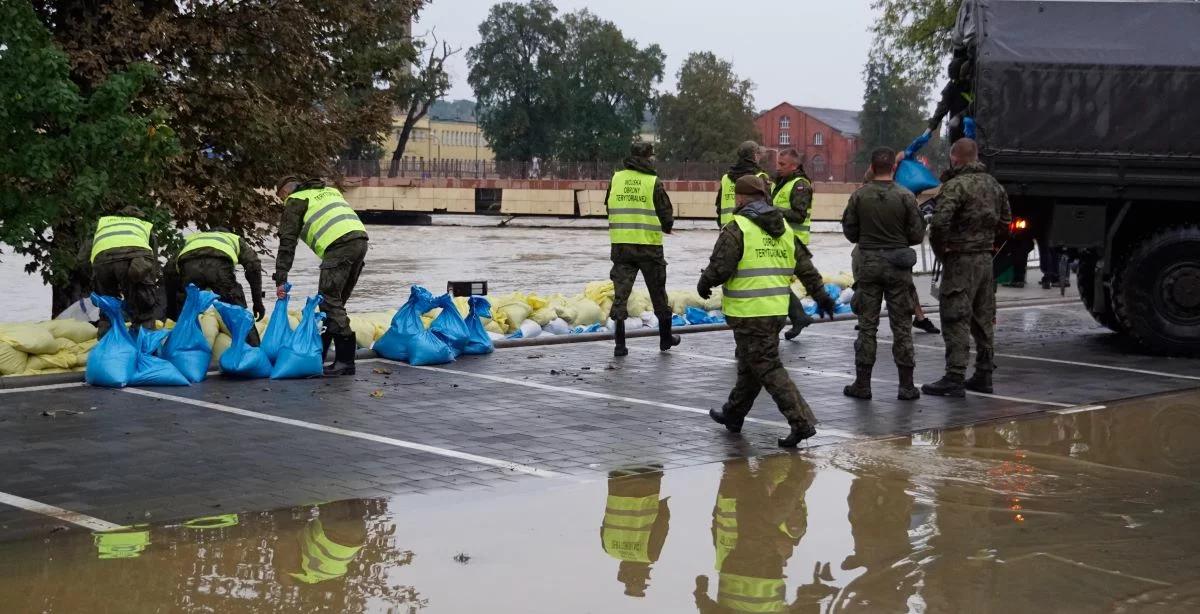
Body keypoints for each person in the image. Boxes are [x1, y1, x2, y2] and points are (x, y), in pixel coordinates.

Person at [698, 176, 836, 447]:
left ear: (740, 198)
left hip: (749, 312)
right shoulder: (784, 228)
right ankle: (733, 414)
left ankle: (801, 422)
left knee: (768, 367)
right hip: (775, 311)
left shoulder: (737, 227)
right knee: (752, 366)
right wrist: (822, 297)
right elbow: (805, 268)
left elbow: (720, 267)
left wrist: (705, 283)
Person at [923, 138, 1011, 397]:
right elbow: (1006, 222)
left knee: (955, 316)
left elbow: (939, 224)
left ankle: (955, 376)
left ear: (955, 158)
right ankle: (984, 374)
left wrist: (943, 251)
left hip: (960, 259)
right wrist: (989, 244)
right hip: (985, 260)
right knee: (983, 319)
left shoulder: (955, 186)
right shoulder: (994, 185)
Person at [842, 147, 926, 401]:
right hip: (898, 267)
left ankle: (863, 384)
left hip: (868, 264)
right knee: (902, 326)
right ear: (894, 167)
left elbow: (850, 232)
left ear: (871, 165)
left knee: (867, 326)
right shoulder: (906, 196)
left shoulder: (859, 196)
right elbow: (916, 234)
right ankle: (906, 386)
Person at [275, 177, 369, 376]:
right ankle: (321, 353)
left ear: (285, 191)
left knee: (329, 301)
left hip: (339, 245)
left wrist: (281, 277)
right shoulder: (328, 191)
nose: (282, 199)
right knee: (335, 303)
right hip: (360, 241)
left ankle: (345, 362)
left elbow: (287, 241)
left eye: (281, 195)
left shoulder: (296, 200)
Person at [605, 141, 680, 357]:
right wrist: (667, 227)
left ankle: (620, 345)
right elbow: (666, 215)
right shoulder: (652, 182)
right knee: (658, 293)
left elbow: (608, 207)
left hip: (621, 246)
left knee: (621, 294)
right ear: (649, 157)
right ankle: (665, 339)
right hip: (649, 247)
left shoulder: (616, 178)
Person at [170, 227, 266, 345]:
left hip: (189, 267)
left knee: (186, 315)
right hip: (219, 269)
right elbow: (253, 266)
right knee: (238, 315)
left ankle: (182, 351)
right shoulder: (233, 238)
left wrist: (174, 310)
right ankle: (255, 350)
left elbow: (169, 270)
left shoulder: (191, 239)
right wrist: (257, 302)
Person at [78, 206, 161, 338]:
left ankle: (108, 348)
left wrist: (94, 279)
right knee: (143, 312)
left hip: (102, 262)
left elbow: (82, 259)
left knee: (107, 309)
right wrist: (146, 288)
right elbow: (152, 262)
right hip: (134, 259)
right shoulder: (142, 225)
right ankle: (145, 351)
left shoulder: (103, 225)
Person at [599, 467, 671, 598]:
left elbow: (661, 526)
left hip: (647, 481)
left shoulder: (649, 555)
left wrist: (663, 505)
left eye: (642, 580)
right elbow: (606, 520)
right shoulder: (609, 549)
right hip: (617, 481)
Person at [772, 148, 817, 341]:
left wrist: (773, 210)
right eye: (778, 163)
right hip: (783, 242)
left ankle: (782, 323)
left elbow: (798, 215)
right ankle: (799, 317)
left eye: (782, 165)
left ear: (794, 165)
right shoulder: (783, 182)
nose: (778, 167)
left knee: (776, 284)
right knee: (777, 283)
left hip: (793, 244)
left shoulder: (800, 185)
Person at [716, 141, 773, 228]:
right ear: (754, 156)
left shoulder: (726, 178)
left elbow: (719, 207)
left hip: (728, 231)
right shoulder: (760, 177)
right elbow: (768, 208)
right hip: (751, 231)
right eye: (758, 154)